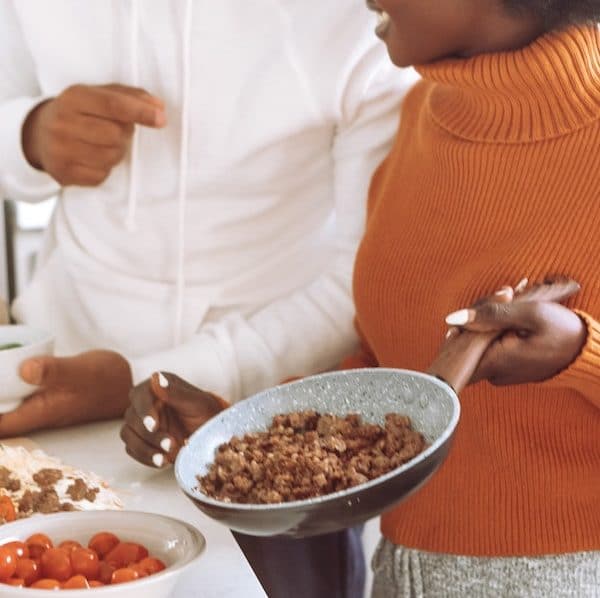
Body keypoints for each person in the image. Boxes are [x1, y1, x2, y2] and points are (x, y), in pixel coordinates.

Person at [123, 0, 600, 596]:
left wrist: (583, 353)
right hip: (402, 573)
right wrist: (244, 439)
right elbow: (393, 384)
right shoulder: (421, 115)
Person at [0, 1, 416, 596]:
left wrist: (141, 380)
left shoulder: (363, 15)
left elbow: (360, 278)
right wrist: (29, 136)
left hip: (265, 449)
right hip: (51, 422)